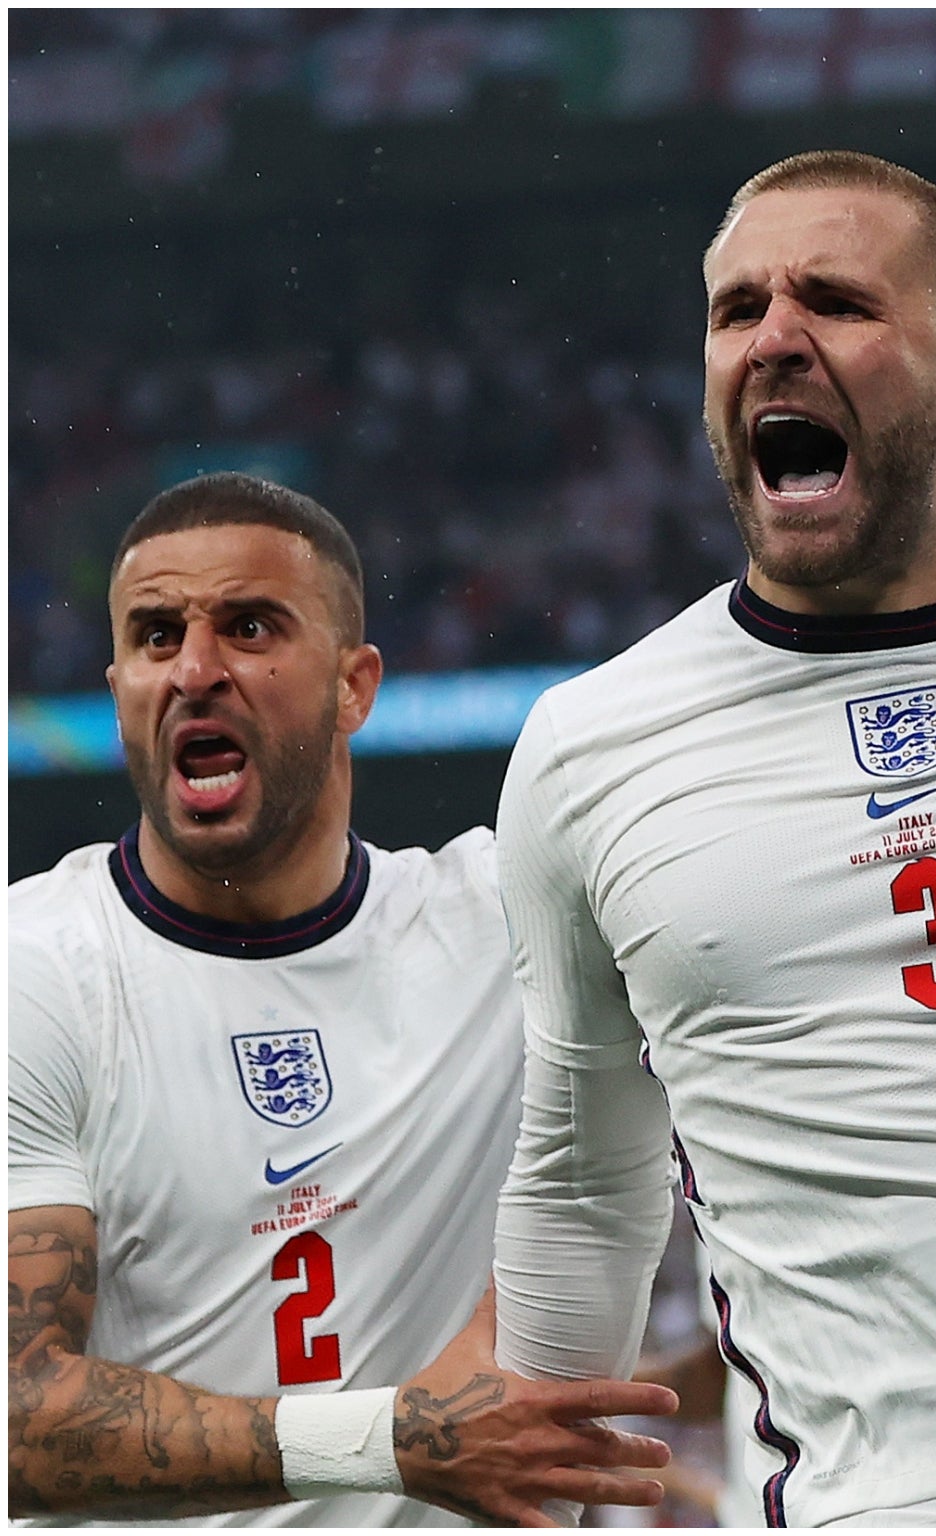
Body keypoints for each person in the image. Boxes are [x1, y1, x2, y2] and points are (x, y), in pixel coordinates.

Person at [490, 150, 936, 1528]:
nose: (777, 339)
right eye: (737, 309)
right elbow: (582, 1177)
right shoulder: (589, 748)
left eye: (840, 302)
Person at [7, 472, 683, 1527]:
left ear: (355, 685)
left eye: (249, 627)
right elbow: (12, 1417)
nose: (194, 669)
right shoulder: (34, 968)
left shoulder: (505, 923)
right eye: (153, 636)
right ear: (119, 687)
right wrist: (390, 1444)